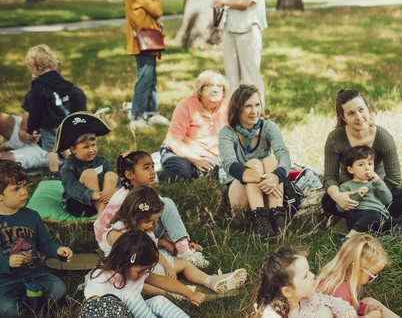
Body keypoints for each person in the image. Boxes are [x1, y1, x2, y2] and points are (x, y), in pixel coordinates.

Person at [100, 186, 247, 298]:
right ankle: (171, 293)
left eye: (153, 221)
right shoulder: (118, 234)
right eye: (148, 221)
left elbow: (154, 251)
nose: (151, 225)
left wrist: (168, 267)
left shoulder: (145, 231)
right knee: (141, 285)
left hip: (149, 265)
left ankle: (211, 280)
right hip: (131, 273)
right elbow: (125, 265)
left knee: (183, 264)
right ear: (133, 215)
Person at [95, 151, 209, 270]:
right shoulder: (124, 198)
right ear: (129, 175)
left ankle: (183, 248)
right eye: (146, 168)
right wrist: (161, 242)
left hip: (147, 234)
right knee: (166, 203)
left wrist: (177, 241)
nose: (152, 172)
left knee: (165, 204)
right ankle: (177, 251)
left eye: (153, 167)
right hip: (130, 241)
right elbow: (120, 231)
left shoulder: (148, 191)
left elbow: (161, 220)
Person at [322, 89, 402, 226]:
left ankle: (353, 218)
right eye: (351, 113)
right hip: (349, 191)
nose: (358, 116)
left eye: (361, 110)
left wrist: (373, 194)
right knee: (327, 202)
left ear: (368, 109)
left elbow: (394, 177)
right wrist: (339, 197)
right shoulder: (335, 139)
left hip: (378, 189)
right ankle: (380, 220)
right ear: (343, 118)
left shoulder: (383, 137)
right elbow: (330, 177)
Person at [0, 160, 72, 318]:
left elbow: (45, 243)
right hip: (4, 281)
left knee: (58, 288)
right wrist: (7, 262)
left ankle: (30, 305)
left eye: (24, 186)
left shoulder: (32, 216)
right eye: (16, 189)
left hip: (34, 275)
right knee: (7, 309)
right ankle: (22, 306)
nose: (24, 192)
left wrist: (57, 250)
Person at [219, 84, 291, 238]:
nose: (255, 111)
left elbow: (284, 155)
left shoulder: (269, 127)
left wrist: (277, 176)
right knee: (254, 164)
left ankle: (277, 218)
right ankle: (261, 222)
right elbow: (228, 164)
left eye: (257, 105)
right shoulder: (227, 132)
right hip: (240, 193)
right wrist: (264, 178)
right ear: (237, 109)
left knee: (272, 160)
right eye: (248, 106)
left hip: (267, 191)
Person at [84, 230, 201, 318]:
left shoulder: (135, 273)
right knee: (130, 295)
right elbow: (94, 308)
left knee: (159, 300)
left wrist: (189, 293)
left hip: (134, 313)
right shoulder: (101, 277)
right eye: (140, 271)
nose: (142, 275)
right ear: (122, 263)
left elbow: (164, 282)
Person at [212, 0, 267, 100]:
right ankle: (234, 113)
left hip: (248, 29)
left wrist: (224, 3)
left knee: (250, 75)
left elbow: (246, 2)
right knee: (231, 75)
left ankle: (257, 112)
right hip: (230, 28)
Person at [22, 44, 86, 177]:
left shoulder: (38, 86)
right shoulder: (61, 81)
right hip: (64, 122)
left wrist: (31, 129)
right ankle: (76, 167)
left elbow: (36, 110)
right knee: (64, 146)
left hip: (48, 125)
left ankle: (54, 171)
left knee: (51, 149)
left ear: (33, 66)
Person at [159, 70, 230, 183]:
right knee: (182, 172)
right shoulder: (186, 105)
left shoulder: (228, 106)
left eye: (219, 86)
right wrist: (196, 160)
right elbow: (173, 140)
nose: (215, 89)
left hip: (211, 157)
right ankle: (152, 175)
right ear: (200, 89)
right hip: (180, 151)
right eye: (210, 86)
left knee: (213, 173)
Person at [124, 0, 169, 131]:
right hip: (143, 41)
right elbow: (157, 10)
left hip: (146, 40)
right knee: (144, 78)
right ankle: (136, 116)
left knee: (150, 78)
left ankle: (151, 112)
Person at [249, 247, 356, 318]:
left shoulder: (308, 299)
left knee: (325, 310)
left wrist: (346, 310)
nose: (312, 275)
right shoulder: (273, 315)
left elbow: (331, 301)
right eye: (305, 276)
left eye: (309, 271)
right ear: (287, 291)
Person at [317, 234, 400, 318]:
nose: (373, 279)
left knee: (369, 301)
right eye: (372, 276)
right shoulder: (339, 292)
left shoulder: (340, 283)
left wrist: (366, 309)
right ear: (356, 268)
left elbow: (350, 305)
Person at [337, 146, 402, 240]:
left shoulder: (376, 184)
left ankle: (381, 239)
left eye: (370, 164)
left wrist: (378, 182)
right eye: (361, 165)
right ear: (351, 169)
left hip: (380, 219)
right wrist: (358, 195)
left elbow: (388, 200)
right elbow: (340, 208)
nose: (367, 168)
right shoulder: (346, 186)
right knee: (372, 214)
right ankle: (350, 238)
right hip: (358, 216)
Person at [56, 113, 118, 217]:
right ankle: (104, 216)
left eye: (93, 145)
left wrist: (112, 191)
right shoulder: (68, 166)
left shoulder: (102, 161)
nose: (91, 150)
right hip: (80, 204)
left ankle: (103, 213)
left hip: (102, 200)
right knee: (89, 174)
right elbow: (71, 187)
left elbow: (117, 182)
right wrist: (92, 195)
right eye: (86, 147)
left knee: (111, 175)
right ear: (73, 149)